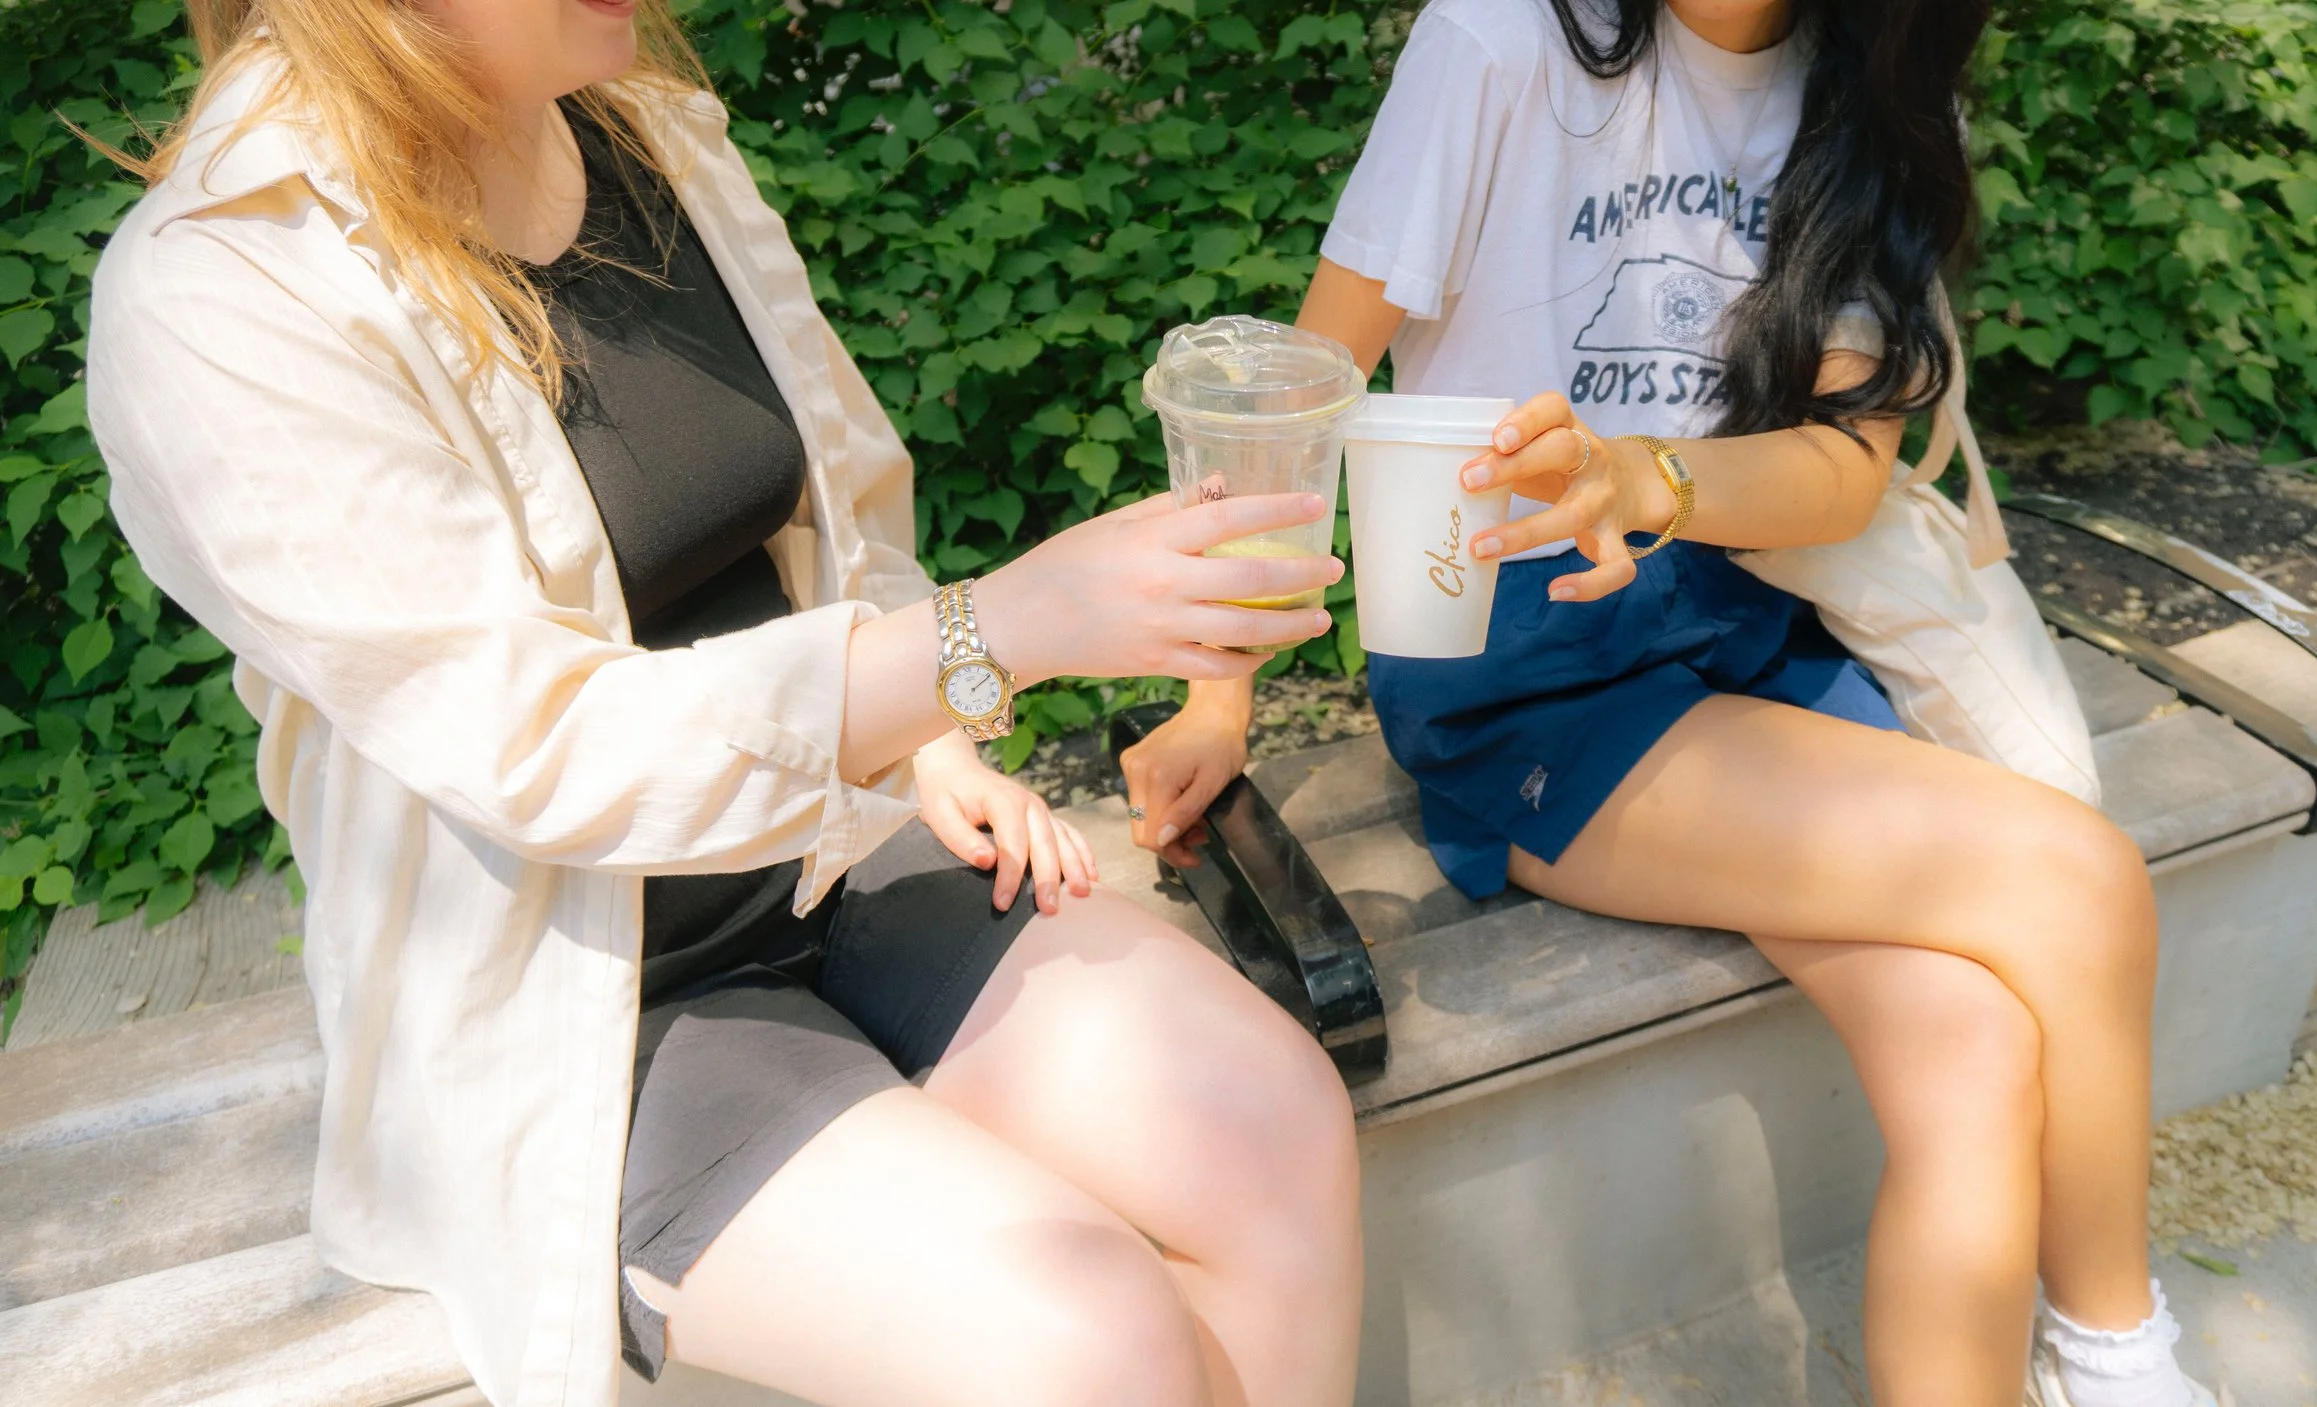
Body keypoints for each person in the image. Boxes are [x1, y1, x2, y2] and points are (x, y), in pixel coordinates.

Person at [86, 3, 1363, 1405]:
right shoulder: (222, 286)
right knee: (1087, 1334)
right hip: (580, 998)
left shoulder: (651, 137)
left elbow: (843, 507)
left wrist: (930, 734)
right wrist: (993, 632)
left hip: (832, 852)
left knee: (1273, 1122)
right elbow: (537, 746)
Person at [1120, 1, 2222, 1404]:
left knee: (1975, 1040)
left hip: (1746, 620)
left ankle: (2089, 1366)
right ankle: (2121, 1359)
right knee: (2081, 880)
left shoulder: (1869, 89)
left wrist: (1646, 474)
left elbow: (1843, 471)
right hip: (1526, 663)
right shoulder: (1499, 41)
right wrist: (1217, 698)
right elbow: (1307, 383)